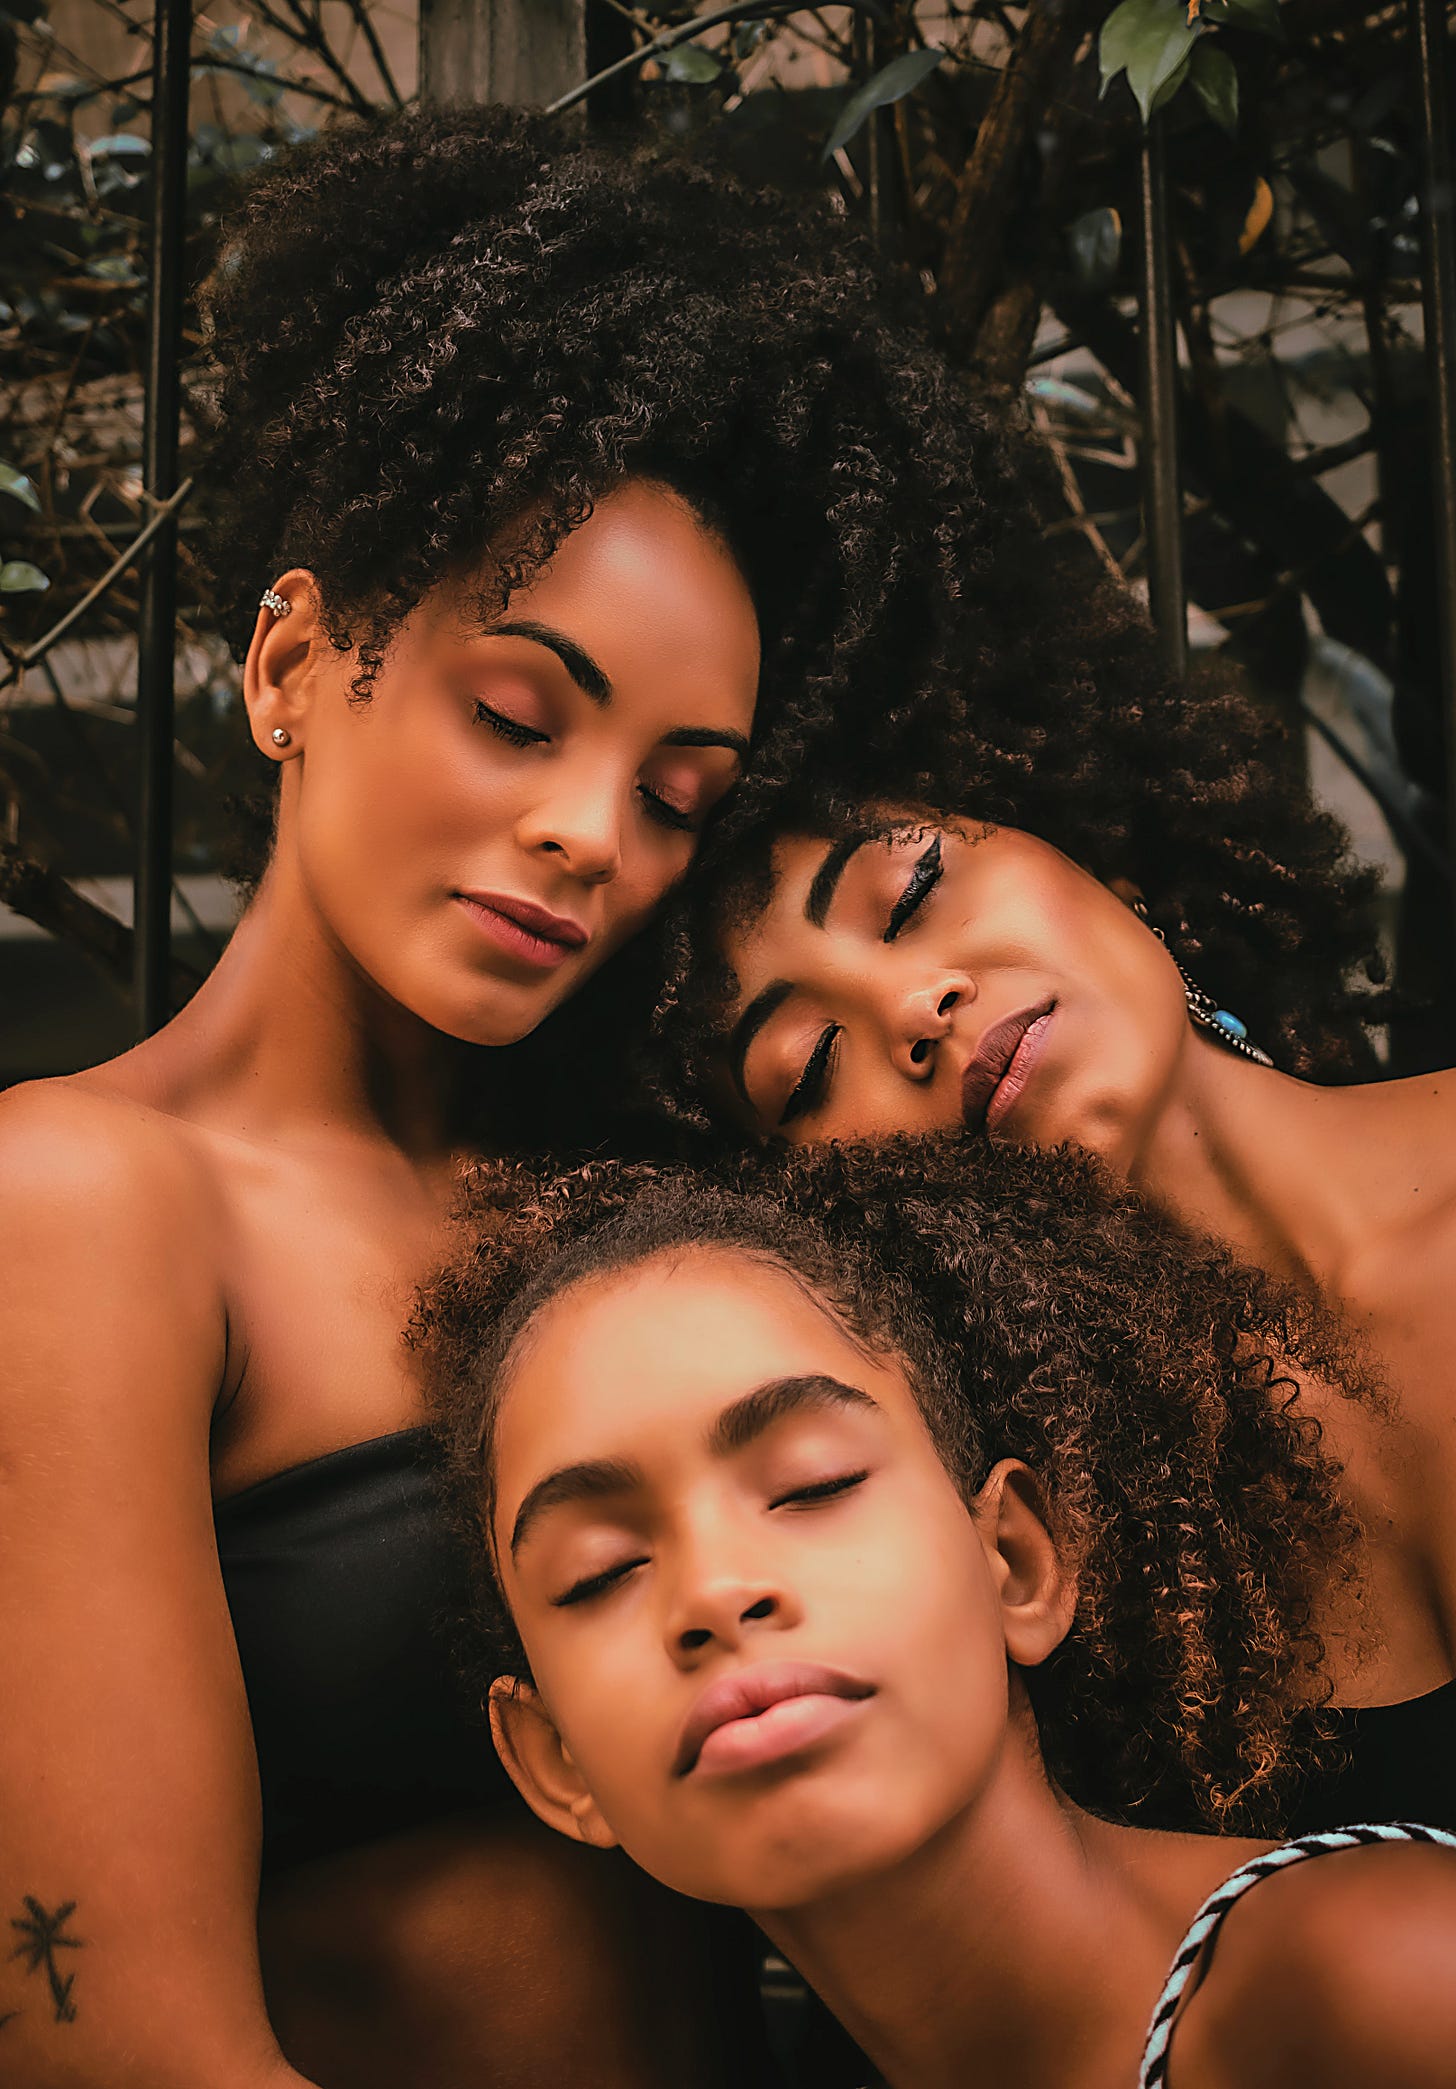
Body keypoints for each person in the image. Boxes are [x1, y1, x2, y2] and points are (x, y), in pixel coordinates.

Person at [0, 103, 1053, 2088]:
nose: (591, 838)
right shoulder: (84, 1203)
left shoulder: (649, 1181)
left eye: (677, 794)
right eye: (514, 714)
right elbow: (108, 2037)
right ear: (294, 661)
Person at [422, 1156, 1456, 2089]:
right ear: (555, 1759)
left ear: (1013, 1561)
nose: (713, 1591)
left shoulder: (1379, 1980)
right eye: (600, 1573)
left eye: (811, 1485)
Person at [652, 777, 1456, 1833]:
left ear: (1098, 856)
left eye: (911, 892)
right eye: (808, 1070)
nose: (909, 1006)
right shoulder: (1047, 1572)